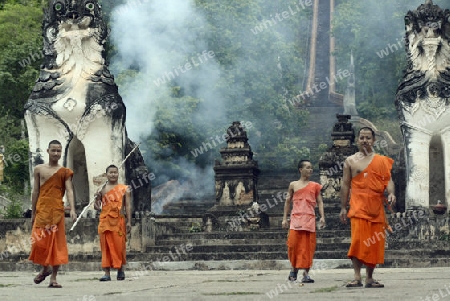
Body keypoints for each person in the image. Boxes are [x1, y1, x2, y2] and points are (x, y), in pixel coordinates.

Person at [339, 127, 396, 288]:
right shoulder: (350, 161)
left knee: (374, 244)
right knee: (357, 241)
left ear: (374, 140)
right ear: (357, 140)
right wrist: (343, 207)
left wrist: (391, 194)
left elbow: (389, 181)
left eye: (368, 138)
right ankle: (357, 277)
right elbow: (345, 185)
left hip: (376, 207)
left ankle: (369, 278)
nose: (365, 140)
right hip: (358, 206)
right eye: (362, 137)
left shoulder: (382, 160)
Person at [29, 140, 77, 288]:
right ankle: (45, 269)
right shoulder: (39, 169)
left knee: (57, 245)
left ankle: (53, 278)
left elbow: (69, 190)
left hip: (57, 211)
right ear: (48, 151)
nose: (56, 153)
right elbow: (35, 190)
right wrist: (33, 211)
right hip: (42, 210)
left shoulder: (64, 172)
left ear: (61, 153)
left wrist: (73, 209)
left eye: (58, 151)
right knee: (38, 243)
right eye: (53, 150)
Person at [282, 159, 325, 283]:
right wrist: (285, 218)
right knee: (293, 245)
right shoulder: (293, 185)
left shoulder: (315, 186)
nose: (310, 170)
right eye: (307, 167)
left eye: (311, 167)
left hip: (309, 219)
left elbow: (320, 202)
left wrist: (322, 216)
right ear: (300, 170)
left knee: (308, 247)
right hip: (295, 220)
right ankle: (293, 270)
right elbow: (287, 202)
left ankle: (306, 274)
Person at [94, 164, 131, 281]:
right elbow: (96, 207)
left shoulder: (125, 188)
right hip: (105, 221)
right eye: (111, 172)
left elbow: (128, 206)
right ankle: (106, 273)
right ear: (106, 174)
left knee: (119, 246)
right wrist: (96, 198)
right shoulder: (101, 189)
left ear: (118, 174)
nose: (113, 174)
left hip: (118, 221)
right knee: (106, 247)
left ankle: (120, 270)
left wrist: (129, 221)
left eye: (115, 172)